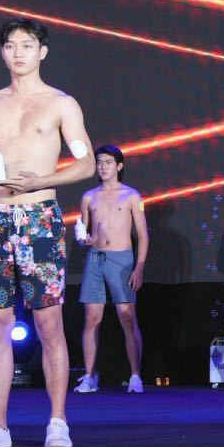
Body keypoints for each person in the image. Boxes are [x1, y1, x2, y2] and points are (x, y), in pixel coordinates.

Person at [0, 17, 97, 447]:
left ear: (42, 52)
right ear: (2, 52)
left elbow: (87, 163)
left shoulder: (61, 104)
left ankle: (57, 422)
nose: (19, 53)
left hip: (39, 217)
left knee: (48, 321)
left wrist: (41, 180)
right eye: (11, 45)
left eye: (28, 45)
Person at [73, 145, 147, 395]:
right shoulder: (89, 197)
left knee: (127, 318)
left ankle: (135, 375)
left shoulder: (131, 196)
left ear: (119, 166)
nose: (103, 167)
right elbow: (84, 232)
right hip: (95, 258)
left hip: (121, 260)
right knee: (91, 319)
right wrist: (84, 240)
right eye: (100, 162)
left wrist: (139, 267)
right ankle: (89, 376)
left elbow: (143, 235)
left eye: (108, 162)